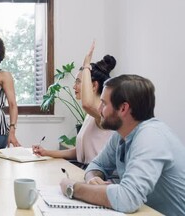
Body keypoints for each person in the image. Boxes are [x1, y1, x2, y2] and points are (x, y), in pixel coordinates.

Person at [59, 74, 185, 215]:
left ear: (123, 108)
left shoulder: (151, 136)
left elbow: (127, 199)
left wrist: (74, 188)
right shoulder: (121, 134)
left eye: (104, 103)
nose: (99, 109)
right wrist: (93, 179)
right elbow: (97, 165)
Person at [33, 42, 116, 168]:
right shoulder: (90, 116)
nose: (74, 86)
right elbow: (78, 152)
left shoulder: (104, 112)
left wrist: (86, 65)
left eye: (78, 82)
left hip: (99, 179)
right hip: (86, 172)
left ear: (93, 86)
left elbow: (87, 104)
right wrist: (46, 152)